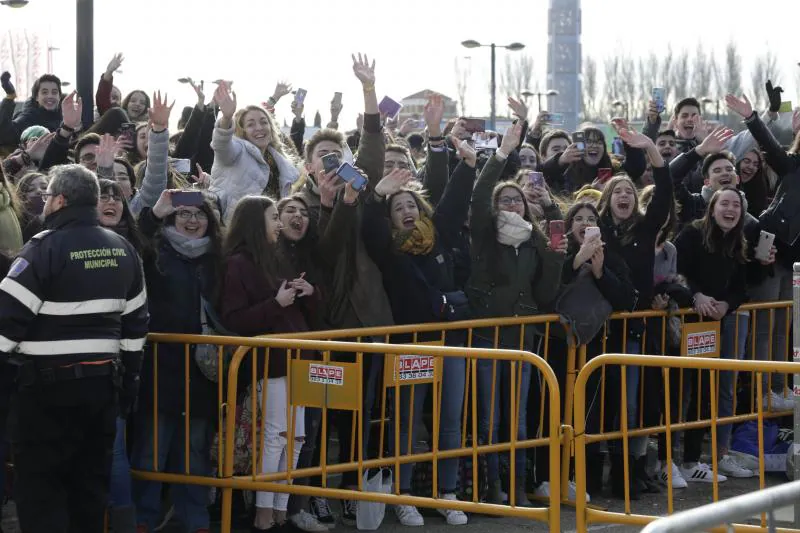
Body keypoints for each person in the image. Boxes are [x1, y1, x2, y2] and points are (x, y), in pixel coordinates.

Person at [0, 164, 148, 532]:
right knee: (89, 493)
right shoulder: (124, 249)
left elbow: (5, 324)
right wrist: (127, 388)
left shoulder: (42, 249)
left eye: (47, 196)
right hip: (101, 392)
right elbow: (135, 331)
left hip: (44, 396)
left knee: (41, 494)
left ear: (60, 200)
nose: (45, 203)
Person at [361, 138, 476, 525]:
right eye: (398, 208)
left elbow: (456, 201)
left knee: (449, 419)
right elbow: (369, 224)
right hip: (409, 345)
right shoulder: (387, 248)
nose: (407, 210)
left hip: (452, 342)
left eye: (411, 204)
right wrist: (380, 196)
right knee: (407, 421)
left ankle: (448, 494)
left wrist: (469, 163)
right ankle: (403, 494)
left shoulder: (438, 235)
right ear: (390, 218)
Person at [466, 122, 565, 506]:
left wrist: (555, 258)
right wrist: (503, 154)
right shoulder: (484, 233)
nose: (512, 205)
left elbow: (545, 293)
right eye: (505, 200)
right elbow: (477, 198)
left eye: (517, 200)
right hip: (489, 337)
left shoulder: (535, 241)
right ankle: (493, 488)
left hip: (524, 339)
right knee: (491, 422)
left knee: (519, 421)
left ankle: (520, 489)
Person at [219, 195, 323, 533]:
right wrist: (275, 303)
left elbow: (303, 310)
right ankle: (264, 511)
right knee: (277, 436)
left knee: (297, 437)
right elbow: (235, 320)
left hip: (299, 357)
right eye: (274, 216)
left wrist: (310, 293)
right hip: (271, 364)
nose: (279, 223)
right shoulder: (237, 263)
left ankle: (281, 508)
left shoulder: (277, 259)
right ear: (255, 223)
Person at [131, 189, 222, 533]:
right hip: (159, 365)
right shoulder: (154, 251)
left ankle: (194, 520)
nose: (192, 220)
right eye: (182, 214)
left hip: (201, 371)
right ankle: (143, 519)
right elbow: (132, 240)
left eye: (198, 214)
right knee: (151, 452)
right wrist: (154, 214)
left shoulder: (217, 258)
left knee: (195, 453)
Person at [595, 128, 673, 499]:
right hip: (605, 330)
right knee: (619, 404)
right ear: (607, 200)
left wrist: (652, 151)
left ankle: (637, 469)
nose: (624, 195)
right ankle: (621, 473)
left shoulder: (645, 227)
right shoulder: (598, 233)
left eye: (629, 191)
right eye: (617, 192)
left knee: (645, 403)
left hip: (641, 326)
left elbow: (666, 191)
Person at [674, 187, 759, 480]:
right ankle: (666, 461)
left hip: (711, 326)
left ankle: (691, 460)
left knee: (702, 390)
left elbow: (741, 288)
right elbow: (676, 271)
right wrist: (694, 295)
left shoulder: (737, 242)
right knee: (677, 391)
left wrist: (726, 304)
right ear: (712, 207)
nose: (730, 209)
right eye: (725, 203)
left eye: (736, 205)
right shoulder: (691, 234)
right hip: (682, 319)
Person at [726, 92, 799, 411]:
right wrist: (752, 118)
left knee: (786, 326)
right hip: (771, 247)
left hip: (794, 261)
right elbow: (771, 148)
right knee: (766, 325)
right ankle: (761, 389)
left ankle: (780, 387)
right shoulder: (793, 164)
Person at [96, 178, 146, 532]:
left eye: (116, 196)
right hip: (75, 367)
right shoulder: (57, 239)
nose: (110, 201)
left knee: (115, 452)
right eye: (102, 196)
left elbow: (138, 316)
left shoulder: (133, 246)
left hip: (116, 367)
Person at [209, 82, 300, 221]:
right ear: (242, 130)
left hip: (269, 232)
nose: (259, 128)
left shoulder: (279, 161)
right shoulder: (237, 149)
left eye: (264, 122)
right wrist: (226, 118)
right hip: (235, 230)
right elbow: (221, 145)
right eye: (250, 124)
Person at [0, 73, 64, 145]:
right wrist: (10, 97)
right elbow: (5, 134)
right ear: (36, 97)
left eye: (54, 92)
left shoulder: (66, 118)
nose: (50, 96)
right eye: (44, 92)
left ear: (59, 97)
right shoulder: (29, 117)